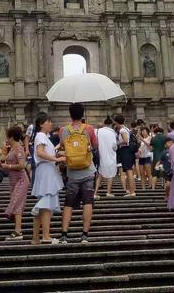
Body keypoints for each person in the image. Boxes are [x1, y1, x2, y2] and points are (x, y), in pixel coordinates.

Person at [58, 103, 97, 244]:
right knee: (88, 201)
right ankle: (85, 235)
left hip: (72, 172)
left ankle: (64, 235)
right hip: (88, 170)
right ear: (82, 114)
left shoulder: (63, 130)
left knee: (68, 203)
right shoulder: (89, 129)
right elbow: (95, 145)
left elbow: (62, 147)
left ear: (70, 114)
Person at [31, 112, 65, 245]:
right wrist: (56, 159)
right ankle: (45, 235)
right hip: (46, 170)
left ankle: (35, 238)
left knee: (44, 205)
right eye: (48, 121)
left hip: (46, 170)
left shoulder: (44, 136)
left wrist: (58, 153)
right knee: (46, 204)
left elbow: (45, 152)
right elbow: (40, 152)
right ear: (41, 124)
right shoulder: (40, 135)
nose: (51, 123)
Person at [3, 125, 30, 240]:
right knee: (18, 205)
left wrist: (8, 166)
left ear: (12, 137)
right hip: (13, 180)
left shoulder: (18, 148)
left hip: (21, 179)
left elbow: (22, 165)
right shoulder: (12, 149)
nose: (7, 139)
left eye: (8, 137)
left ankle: (11, 217)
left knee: (16, 202)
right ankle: (18, 230)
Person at [94, 116, 117, 199]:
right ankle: (108, 192)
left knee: (100, 174)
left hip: (101, 154)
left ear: (104, 123)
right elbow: (114, 146)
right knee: (111, 174)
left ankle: (95, 192)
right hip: (110, 155)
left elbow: (95, 143)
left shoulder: (98, 131)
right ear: (110, 124)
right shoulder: (112, 133)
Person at [115, 114, 136, 197]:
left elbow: (125, 140)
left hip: (125, 150)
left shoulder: (122, 130)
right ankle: (130, 190)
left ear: (117, 122)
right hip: (129, 150)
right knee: (128, 170)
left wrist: (117, 143)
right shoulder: (126, 128)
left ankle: (132, 192)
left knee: (129, 171)